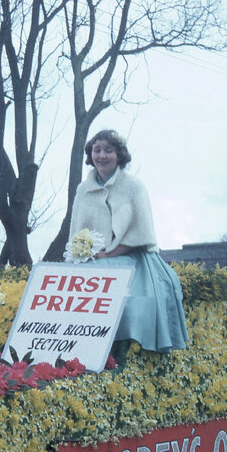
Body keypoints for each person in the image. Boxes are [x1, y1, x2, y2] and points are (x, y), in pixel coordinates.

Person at [67, 129, 188, 353]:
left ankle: (123, 351)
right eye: (97, 150)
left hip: (132, 256)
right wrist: (83, 252)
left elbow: (141, 232)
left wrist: (109, 254)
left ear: (119, 154)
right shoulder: (83, 190)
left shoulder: (134, 187)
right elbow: (77, 231)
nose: (102, 156)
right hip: (92, 259)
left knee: (132, 302)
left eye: (108, 150)